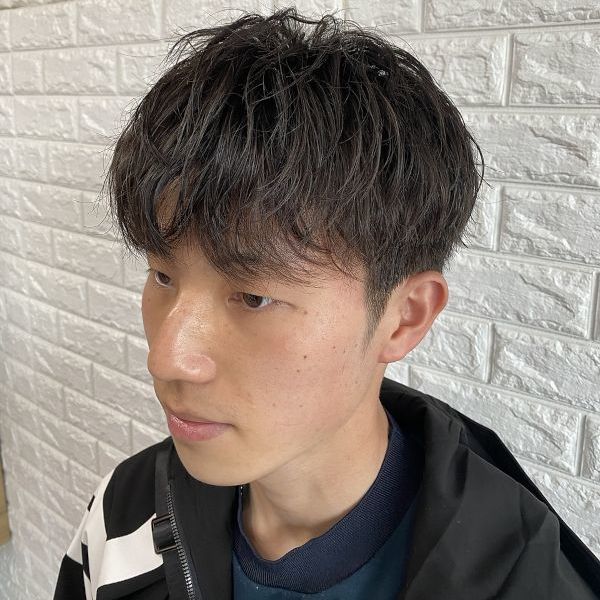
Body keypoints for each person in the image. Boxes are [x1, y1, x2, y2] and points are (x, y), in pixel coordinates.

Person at [53, 7, 600, 600]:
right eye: (162, 275)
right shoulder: (122, 514)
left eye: (254, 296)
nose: (166, 357)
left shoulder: (526, 581)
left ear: (405, 316)